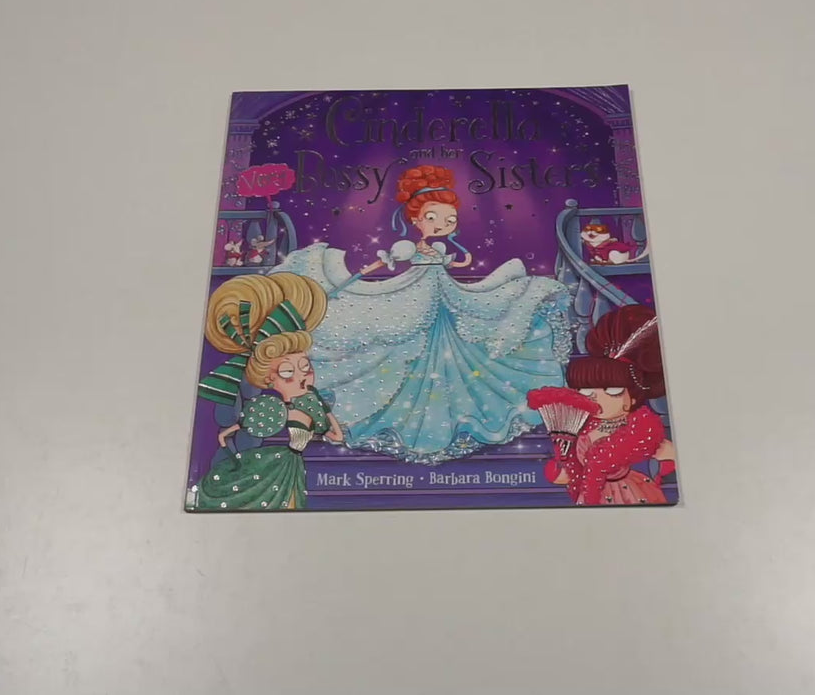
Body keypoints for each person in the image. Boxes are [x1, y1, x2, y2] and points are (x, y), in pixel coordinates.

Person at [271, 164, 573, 464]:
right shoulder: (408, 246)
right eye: (432, 218)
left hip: (445, 293)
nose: (442, 225)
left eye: (449, 220)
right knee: (406, 337)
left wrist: (457, 261)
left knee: (475, 323)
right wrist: (365, 271)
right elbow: (388, 261)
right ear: (415, 219)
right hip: (417, 292)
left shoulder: (438, 247)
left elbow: (449, 264)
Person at [191, 272, 344, 510]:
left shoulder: (308, 404)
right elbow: (245, 425)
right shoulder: (272, 409)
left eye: (306, 367)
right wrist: (227, 438)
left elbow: (336, 435)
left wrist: (325, 415)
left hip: (289, 464)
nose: (301, 376)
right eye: (287, 372)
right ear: (269, 380)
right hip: (272, 463)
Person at [544, 304, 675, 505]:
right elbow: (571, 473)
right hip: (589, 496)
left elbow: (672, 457)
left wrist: (669, 460)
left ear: (632, 398)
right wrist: (563, 469)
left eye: (612, 391)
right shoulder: (583, 429)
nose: (597, 398)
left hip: (630, 495)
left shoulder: (642, 431)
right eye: (586, 391)